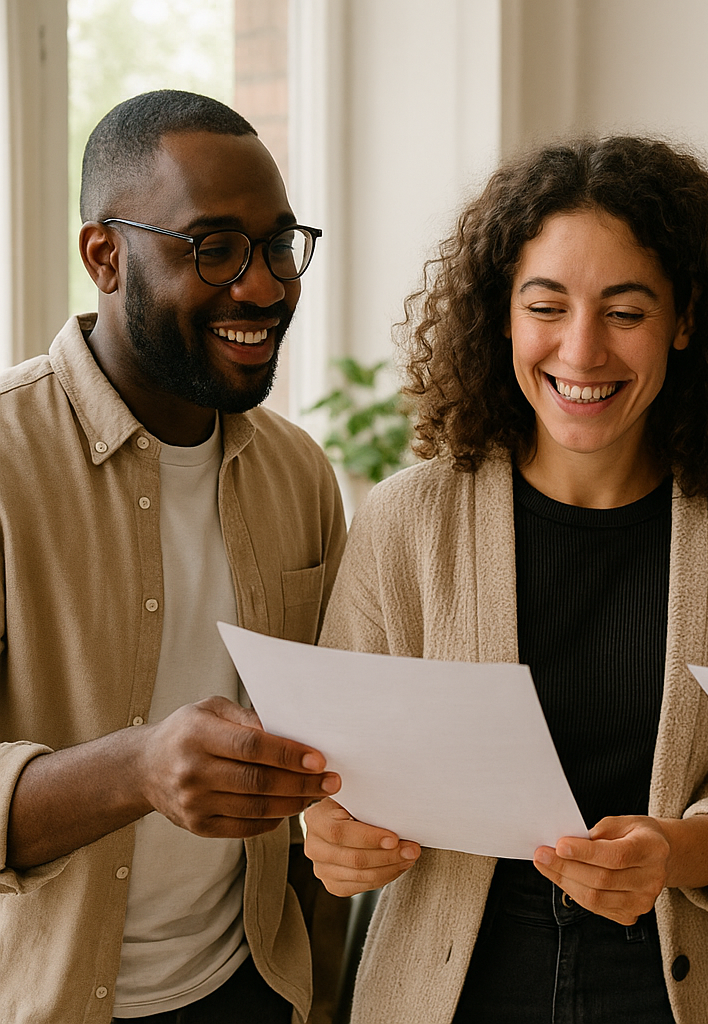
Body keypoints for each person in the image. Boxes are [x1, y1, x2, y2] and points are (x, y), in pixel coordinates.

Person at [301, 136, 708, 1024]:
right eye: (547, 306)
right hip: (443, 989)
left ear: (685, 319)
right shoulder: (405, 522)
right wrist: (327, 835)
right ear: (501, 315)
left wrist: (675, 850)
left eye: (625, 312)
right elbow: (332, 771)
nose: (582, 352)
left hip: (670, 987)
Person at [0, 91, 345, 1023]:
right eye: (214, 247)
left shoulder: (300, 477)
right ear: (104, 256)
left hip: (253, 992)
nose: (265, 286)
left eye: (279, 244)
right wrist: (139, 768)